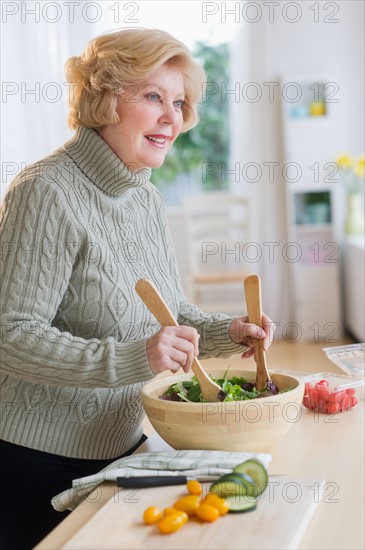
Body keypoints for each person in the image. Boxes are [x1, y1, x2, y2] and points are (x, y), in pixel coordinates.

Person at [0, 28, 273, 548]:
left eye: (179, 101)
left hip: (123, 449)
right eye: (153, 97)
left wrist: (229, 332)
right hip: (35, 464)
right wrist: (135, 358)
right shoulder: (45, 191)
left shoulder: (144, 197)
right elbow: (10, 334)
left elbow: (169, 317)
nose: (174, 117)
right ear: (104, 98)